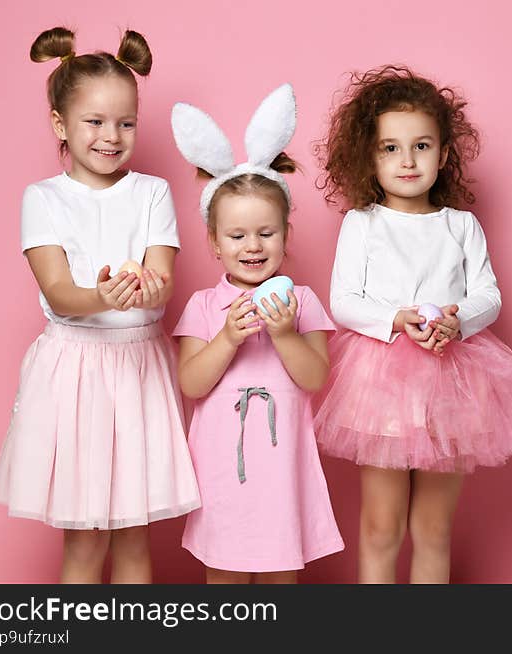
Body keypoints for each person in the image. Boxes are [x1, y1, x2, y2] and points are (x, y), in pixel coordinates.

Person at [314, 65, 512, 583]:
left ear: (444, 154)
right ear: (370, 156)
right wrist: (396, 319)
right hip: (379, 383)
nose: (407, 160)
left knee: (433, 528)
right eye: (390, 148)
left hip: (452, 380)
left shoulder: (460, 224)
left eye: (421, 146)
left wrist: (458, 321)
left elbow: (487, 294)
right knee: (381, 526)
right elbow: (344, 300)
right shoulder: (364, 223)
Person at [0, 27, 200, 583]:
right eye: (95, 122)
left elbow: (162, 276)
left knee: (134, 542)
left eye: (126, 123)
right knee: (85, 546)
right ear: (60, 123)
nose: (112, 136)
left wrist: (152, 290)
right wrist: (100, 296)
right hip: (76, 371)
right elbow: (59, 291)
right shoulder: (43, 198)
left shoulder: (152, 191)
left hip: (137, 367)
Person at [170, 84, 344, 584]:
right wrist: (227, 337)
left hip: (281, 474)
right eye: (237, 236)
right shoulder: (205, 306)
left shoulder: (302, 302)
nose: (253, 246)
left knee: (279, 577)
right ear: (215, 243)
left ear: (286, 236)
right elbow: (192, 384)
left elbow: (314, 378)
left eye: (266, 234)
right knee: (224, 578)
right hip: (224, 474)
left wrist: (286, 333)